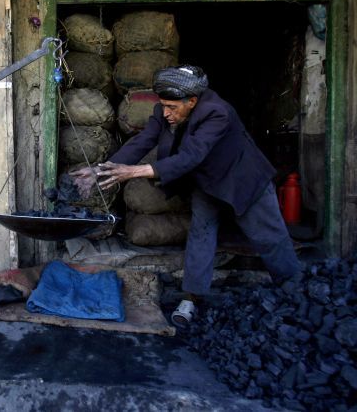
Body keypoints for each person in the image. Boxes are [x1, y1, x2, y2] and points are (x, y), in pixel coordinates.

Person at [71, 65, 301, 327]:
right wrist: (100, 170)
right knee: (201, 237)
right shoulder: (163, 111)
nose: (166, 112)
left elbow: (192, 155)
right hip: (207, 183)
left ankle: (294, 293)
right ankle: (193, 298)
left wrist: (134, 172)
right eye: (163, 105)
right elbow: (143, 141)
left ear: (192, 101)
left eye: (172, 107)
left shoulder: (217, 113)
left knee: (269, 237)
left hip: (243, 180)